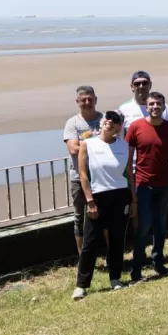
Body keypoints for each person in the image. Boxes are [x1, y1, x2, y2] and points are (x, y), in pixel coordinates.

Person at [72, 111, 135, 300]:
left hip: (120, 195)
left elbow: (128, 174)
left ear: (118, 127)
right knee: (90, 242)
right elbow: (83, 175)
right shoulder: (87, 144)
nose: (109, 121)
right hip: (97, 197)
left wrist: (133, 200)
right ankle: (81, 285)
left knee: (117, 240)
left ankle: (115, 278)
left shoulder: (124, 146)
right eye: (107, 117)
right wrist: (90, 201)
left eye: (114, 120)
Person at [125, 91, 168, 281]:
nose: (155, 107)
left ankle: (158, 262)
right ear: (146, 107)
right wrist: (131, 188)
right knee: (143, 226)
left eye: (159, 104)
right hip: (143, 184)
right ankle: (137, 269)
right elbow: (128, 158)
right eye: (152, 104)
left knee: (160, 225)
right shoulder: (135, 127)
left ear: (164, 107)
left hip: (164, 185)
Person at [63, 85, 104, 254]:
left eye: (90, 99)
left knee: (103, 215)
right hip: (78, 177)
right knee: (80, 217)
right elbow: (72, 149)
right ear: (77, 102)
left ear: (95, 99)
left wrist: (84, 144)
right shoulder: (72, 123)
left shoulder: (104, 119)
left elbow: (113, 140)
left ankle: (106, 253)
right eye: (83, 100)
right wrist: (98, 144)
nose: (87, 102)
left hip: (102, 177)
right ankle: (82, 256)